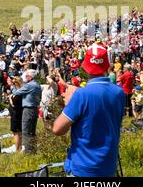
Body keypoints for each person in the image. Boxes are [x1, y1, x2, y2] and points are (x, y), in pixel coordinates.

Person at [53, 43, 125, 177]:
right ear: (107, 66)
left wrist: (69, 104)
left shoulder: (81, 95)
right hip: (109, 165)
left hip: (83, 167)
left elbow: (58, 129)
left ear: (85, 66)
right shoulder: (119, 93)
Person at [9, 69, 42, 154]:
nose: (25, 78)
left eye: (26, 76)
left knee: (26, 131)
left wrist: (11, 85)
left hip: (28, 109)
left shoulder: (30, 85)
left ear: (30, 77)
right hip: (35, 108)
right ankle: (33, 150)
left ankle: (29, 153)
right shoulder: (37, 84)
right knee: (32, 131)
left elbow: (16, 92)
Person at [3, 76, 24, 153]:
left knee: (16, 132)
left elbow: (14, 104)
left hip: (16, 114)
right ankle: (19, 148)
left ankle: (18, 149)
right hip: (16, 113)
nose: (12, 83)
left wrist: (10, 98)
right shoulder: (18, 91)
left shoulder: (19, 92)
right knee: (18, 132)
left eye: (14, 82)